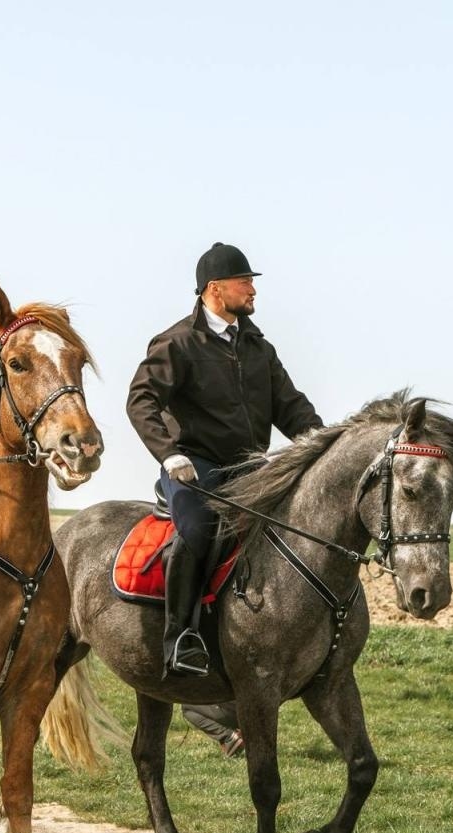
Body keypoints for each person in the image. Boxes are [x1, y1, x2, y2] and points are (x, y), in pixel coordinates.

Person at [127, 242, 323, 676]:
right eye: (244, 281)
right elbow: (141, 402)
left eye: (251, 281)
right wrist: (169, 453)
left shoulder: (258, 347)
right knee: (197, 530)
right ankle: (180, 638)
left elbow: (291, 407)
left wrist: (324, 444)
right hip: (194, 469)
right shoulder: (177, 342)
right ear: (215, 289)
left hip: (250, 470)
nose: (252, 289)